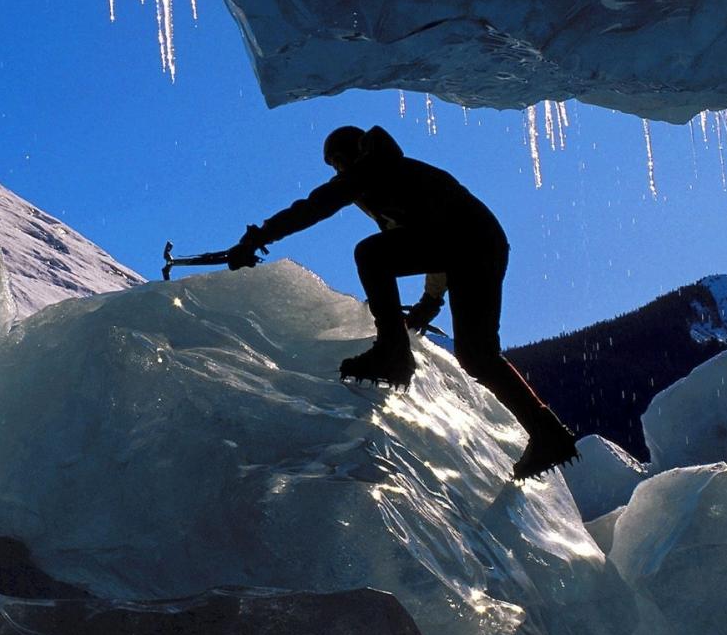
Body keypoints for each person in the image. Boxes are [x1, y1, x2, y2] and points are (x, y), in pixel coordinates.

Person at [226, 124, 578, 480]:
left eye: (336, 163)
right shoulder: (392, 180)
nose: (337, 172)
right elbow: (433, 234)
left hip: (470, 243)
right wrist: (431, 300)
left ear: (351, 153)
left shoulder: (372, 167)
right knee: (478, 356)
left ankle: (392, 353)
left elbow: (316, 206)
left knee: (370, 255)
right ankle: (547, 432)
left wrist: (257, 237)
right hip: (479, 244)